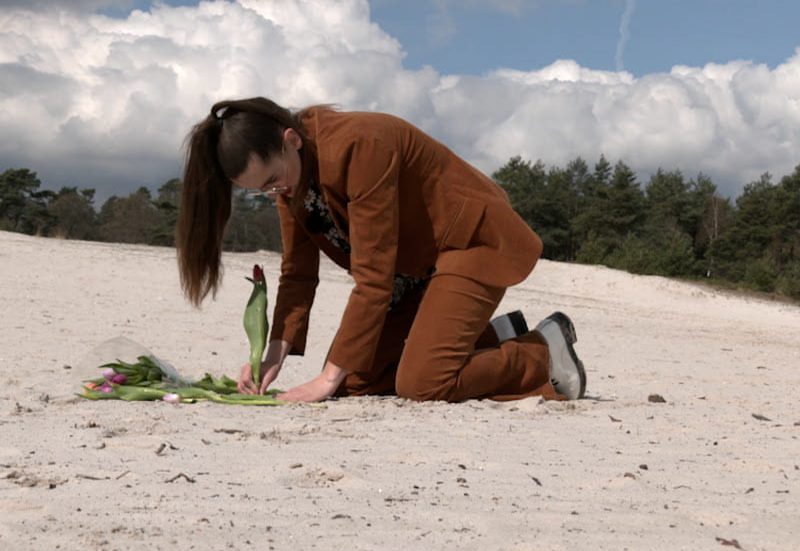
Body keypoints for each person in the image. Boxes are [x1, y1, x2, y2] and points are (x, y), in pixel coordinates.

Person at [175, 97, 586, 403]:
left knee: (423, 383)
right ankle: (493, 335)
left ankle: (542, 353)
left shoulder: (360, 145)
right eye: (260, 190)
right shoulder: (289, 182)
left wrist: (325, 378)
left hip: (471, 242)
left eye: (272, 180)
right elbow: (298, 274)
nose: (274, 193)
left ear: (291, 140)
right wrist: (271, 358)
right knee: (356, 382)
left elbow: (373, 278)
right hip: (415, 270)